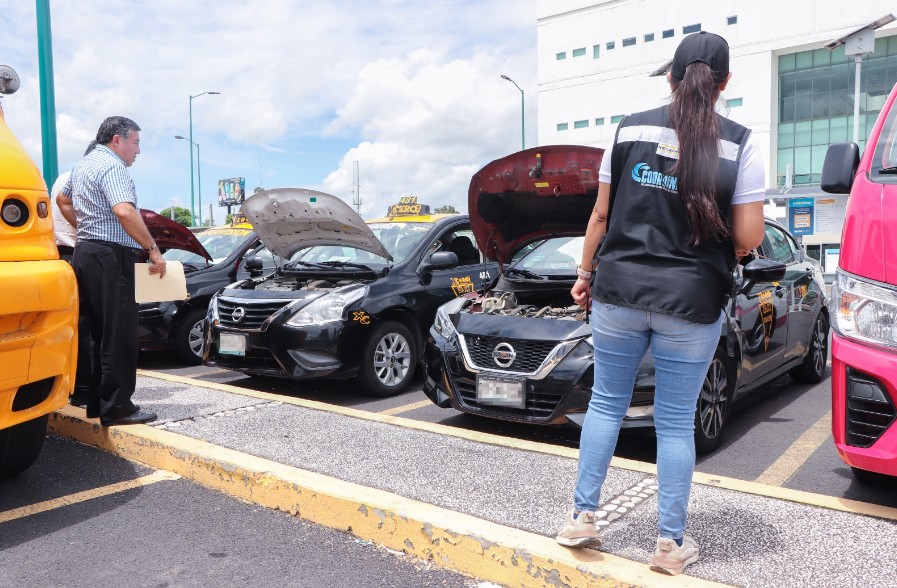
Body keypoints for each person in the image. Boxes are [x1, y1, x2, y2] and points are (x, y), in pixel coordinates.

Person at [556, 32, 765, 576]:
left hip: (618, 292)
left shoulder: (629, 129)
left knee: (605, 403)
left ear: (671, 78)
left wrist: (584, 274)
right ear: (723, 85)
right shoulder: (741, 143)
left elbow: (600, 216)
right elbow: (747, 235)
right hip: (690, 304)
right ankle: (669, 546)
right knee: (673, 424)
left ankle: (582, 517)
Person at [58, 116, 165, 426]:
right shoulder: (113, 166)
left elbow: (64, 199)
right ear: (117, 140)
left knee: (96, 333)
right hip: (110, 256)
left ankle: (98, 403)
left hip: (86, 253)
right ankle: (118, 408)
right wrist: (152, 249)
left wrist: (87, 227)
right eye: (136, 142)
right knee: (118, 333)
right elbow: (123, 209)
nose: (138, 151)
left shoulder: (83, 165)